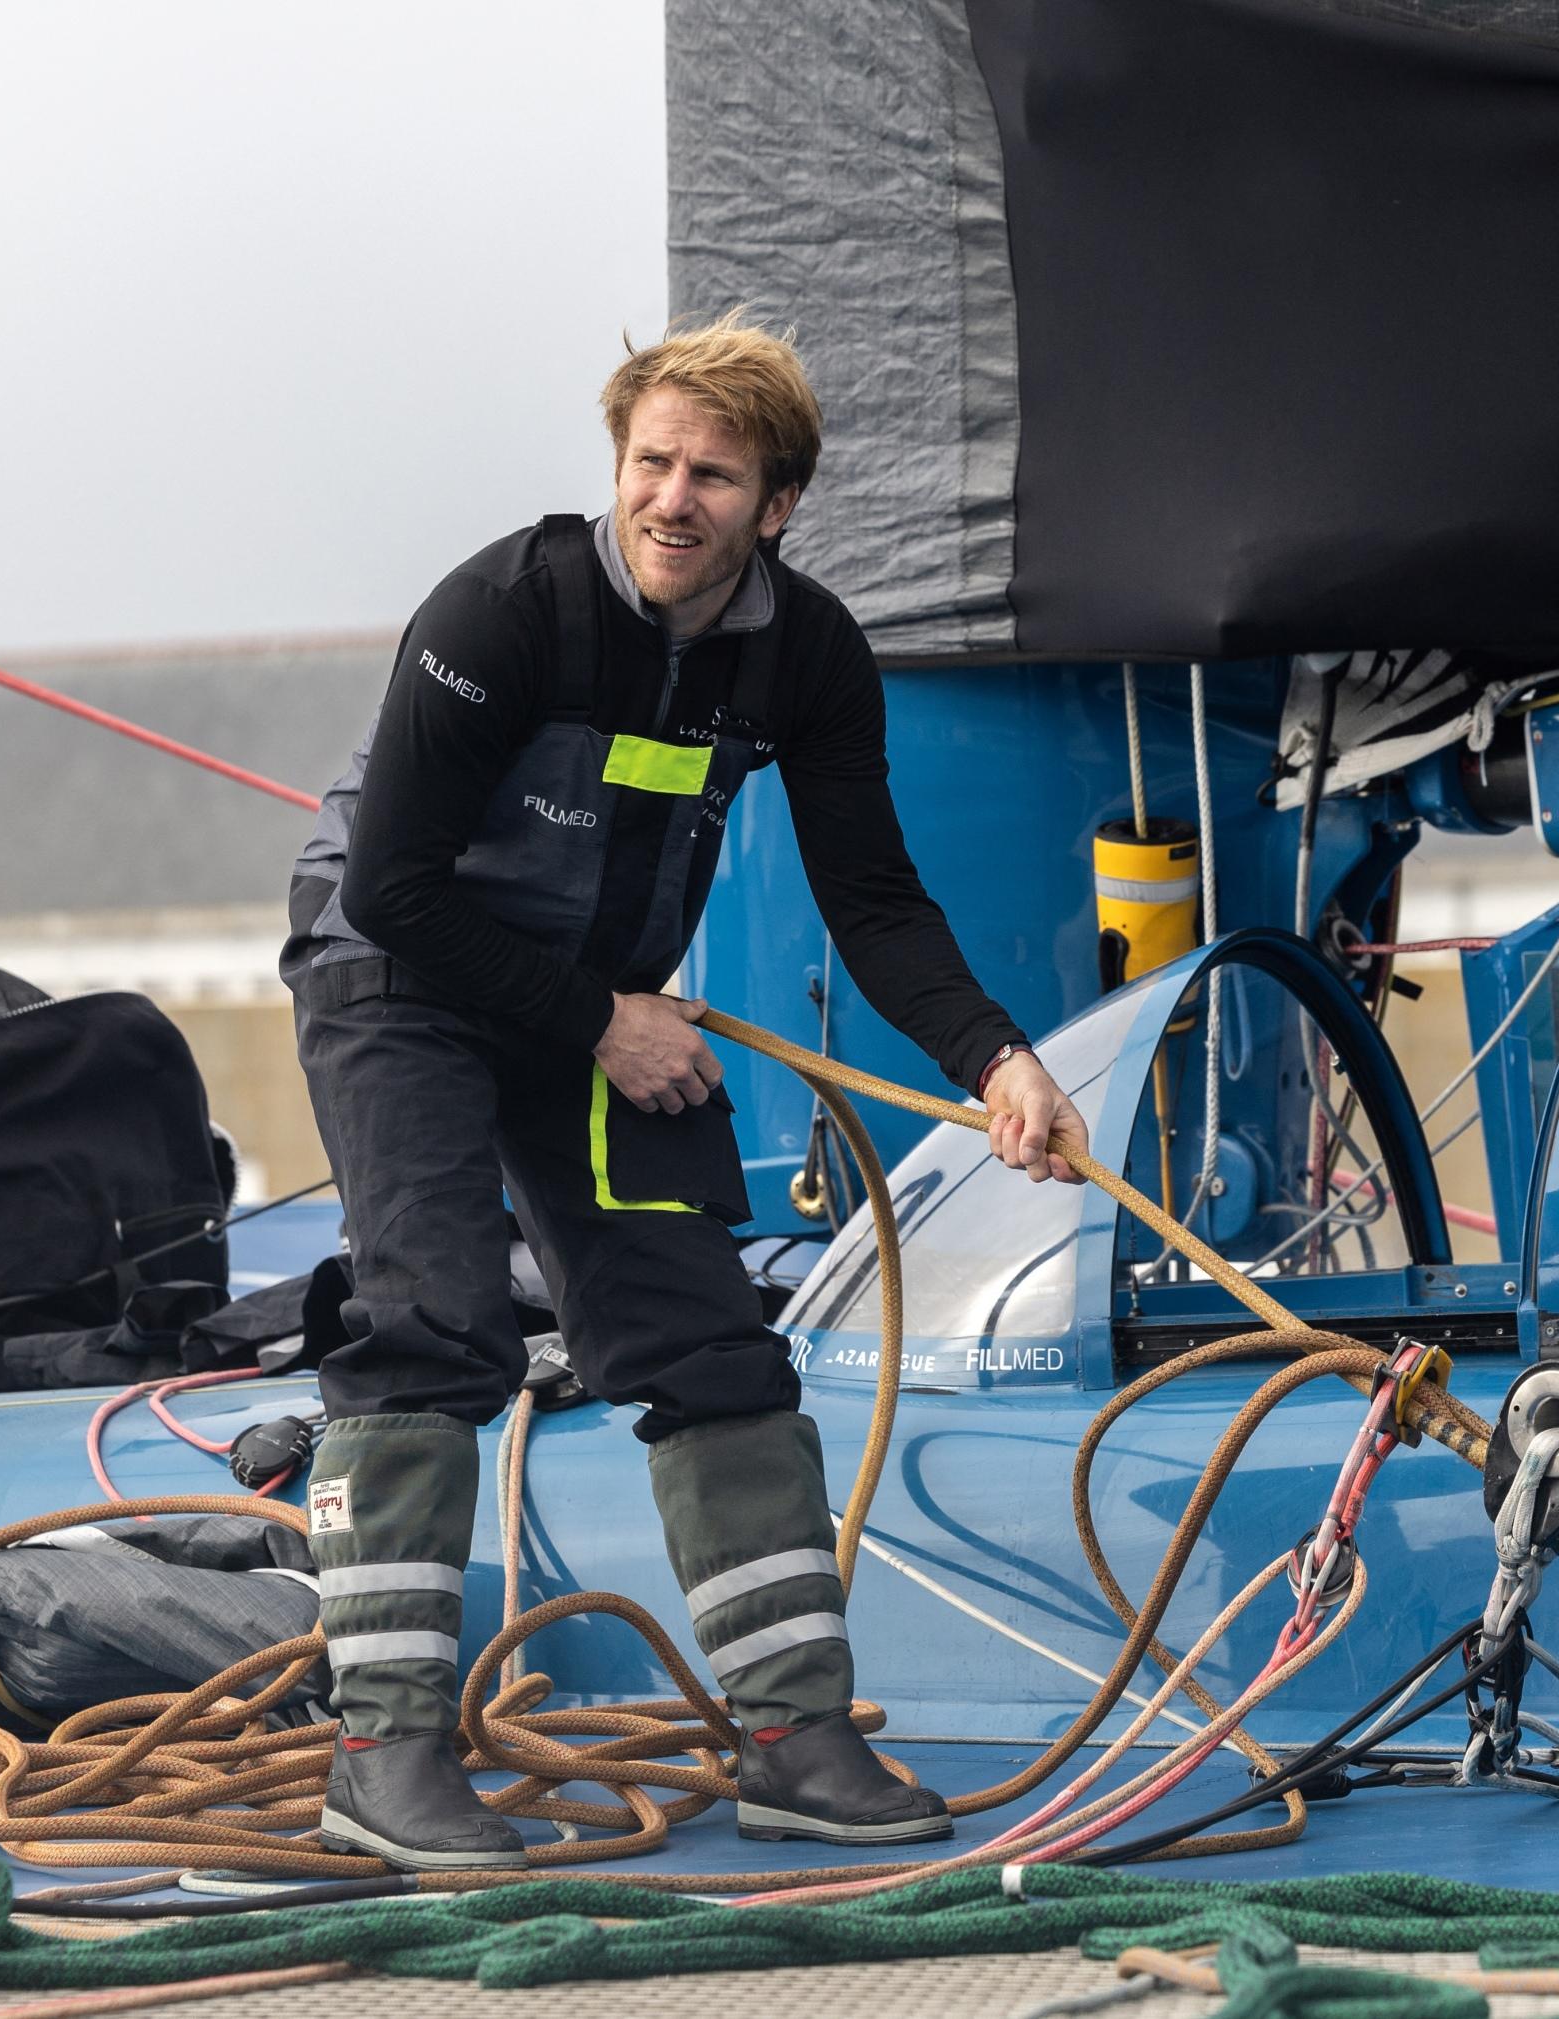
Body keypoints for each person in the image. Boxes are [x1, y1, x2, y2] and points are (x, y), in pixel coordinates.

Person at [277, 313, 1088, 1869]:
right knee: (436, 1321)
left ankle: (795, 1736)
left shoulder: (807, 654)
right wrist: (602, 1021)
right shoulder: (505, 612)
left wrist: (996, 1057)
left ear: (776, 507)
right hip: (402, 967)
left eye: (714, 476)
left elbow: (877, 900)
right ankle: (379, 1756)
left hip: (597, 1004)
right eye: (651, 461)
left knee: (711, 1340)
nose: (672, 499)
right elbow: (395, 887)